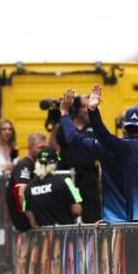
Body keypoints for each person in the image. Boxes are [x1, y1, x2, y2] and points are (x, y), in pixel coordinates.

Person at [84, 84, 138, 222]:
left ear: (124, 126)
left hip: (123, 219)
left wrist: (92, 111)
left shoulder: (122, 145)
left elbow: (100, 136)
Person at [55, 90, 103, 222]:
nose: (86, 109)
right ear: (76, 108)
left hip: (89, 177)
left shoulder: (95, 126)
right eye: (83, 106)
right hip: (69, 176)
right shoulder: (65, 125)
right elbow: (54, 146)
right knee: (69, 211)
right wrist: (55, 121)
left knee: (92, 214)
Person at [24, 148, 83, 228]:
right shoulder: (65, 181)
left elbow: (29, 215)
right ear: (55, 163)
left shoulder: (29, 187)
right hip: (66, 234)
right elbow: (77, 210)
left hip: (43, 236)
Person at [7, 132, 47, 231]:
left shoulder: (36, 165)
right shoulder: (24, 166)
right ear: (30, 147)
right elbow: (21, 194)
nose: (44, 152)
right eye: (40, 148)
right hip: (25, 223)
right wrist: (32, 220)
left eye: (45, 148)